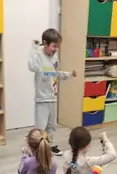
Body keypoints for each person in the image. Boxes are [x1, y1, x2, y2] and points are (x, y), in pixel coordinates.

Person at [28, 28, 76, 156]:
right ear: (45, 43)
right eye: (54, 46)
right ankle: (37, 149)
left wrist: (69, 74)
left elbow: (56, 73)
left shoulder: (54, 57)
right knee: (40, 128)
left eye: (57, 46)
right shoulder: (38, 56)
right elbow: (32, 67)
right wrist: (34, 50)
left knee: (52, 126)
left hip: (53, 98)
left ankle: (50, 147)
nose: (56, 49)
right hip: (42, 99)